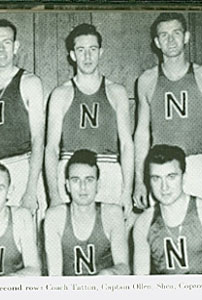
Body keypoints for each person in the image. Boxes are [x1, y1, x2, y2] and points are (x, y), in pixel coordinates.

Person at [133, 13, 202, 218]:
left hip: (198, 164)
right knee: (165, 235)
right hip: (161, 168)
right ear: (157, 42)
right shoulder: (147, 80)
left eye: (176, 33)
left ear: (186, 37)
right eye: (164, 35)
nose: (171, 40)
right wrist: (139, 181)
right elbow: (141, 134)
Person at [45, 23, 134, 219]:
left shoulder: (116, 92)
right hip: (70, 172)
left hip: (108, 170)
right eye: (81, 50)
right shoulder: (61, 94)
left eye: (92, 50)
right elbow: (51, 148)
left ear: (100, 52)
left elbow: (127, 145)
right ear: (72, 54)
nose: (87, 56)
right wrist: (54, 194)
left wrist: (127, 191)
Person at [0, 19, 45, 217]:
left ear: (16, 46)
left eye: (7, 42)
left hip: (19, 166)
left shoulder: (29, 82)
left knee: (25, 237)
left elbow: (38, 140)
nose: (1, 49)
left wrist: (31, 188)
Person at [133, 145, 202, 275]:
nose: (164, 187)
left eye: (171, 177)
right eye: (156, 178)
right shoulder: (143, 223)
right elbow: (140, 279)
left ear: (183, 177)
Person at [44, 150, 129, 276]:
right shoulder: (55, 217)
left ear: (98, 185)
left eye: (89, 180)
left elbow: (124, 267)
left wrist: (109, 273)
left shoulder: (112, 213)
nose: (82, 187)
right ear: (67, 185)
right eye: (76, 180)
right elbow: (54, 275)